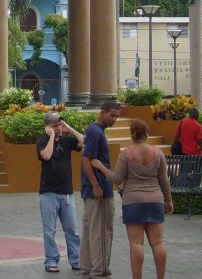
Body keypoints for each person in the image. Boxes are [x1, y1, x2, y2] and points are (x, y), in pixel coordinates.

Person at [113, 118, 173, 279]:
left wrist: (102, 169)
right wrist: (169, 200)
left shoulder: (126, 154)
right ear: (147, 133)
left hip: (133, 201)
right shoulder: (158, 153)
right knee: (158, 242)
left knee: (136, 243)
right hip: (155, 199)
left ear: (132, 134)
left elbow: (117, 179)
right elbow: (164, 180)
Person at [37, 112, 87, 273]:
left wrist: (69, 129)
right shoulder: (42, 141)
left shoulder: (67, 141)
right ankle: (51, 260)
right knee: (49, 230)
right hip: (48, 193)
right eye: (54, 126)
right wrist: (51, 137)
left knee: (72, 229)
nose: (58, 128)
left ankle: (76, 259)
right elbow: (46, 156)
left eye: (59, 125)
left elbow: (85, 142)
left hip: (66, 193)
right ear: (47, 128)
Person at [80, 100, 120, 279]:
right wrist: (96, 185)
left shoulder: (94, 131)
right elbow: (86, 160)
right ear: (102, 112)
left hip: (91, 191)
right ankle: (100, 272)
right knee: (102, 233)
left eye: (117, 116)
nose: (115, 119)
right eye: (112, 115)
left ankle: (86, 271)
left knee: (90, 233)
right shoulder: (96, 133)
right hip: (99, 192)